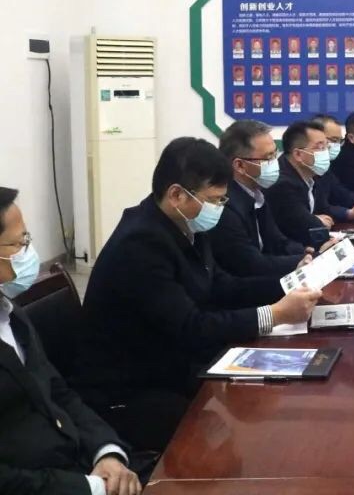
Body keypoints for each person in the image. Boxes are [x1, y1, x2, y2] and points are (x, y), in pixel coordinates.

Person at [75, 138, 320, 452]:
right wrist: (273, 315)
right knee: (242, 435)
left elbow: (221, 286)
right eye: (214, 200)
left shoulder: (185, 225)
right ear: (177, 194)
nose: (219, 208)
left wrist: (289, 285)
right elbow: (192, 327)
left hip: (174, 366)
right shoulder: (141, 245)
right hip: (128, 391)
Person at [0, 187, 142, 495]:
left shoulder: (11, 313)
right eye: (19, 243)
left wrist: (106, 451)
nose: (29, 252)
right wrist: (90, 487)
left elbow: (58, 391)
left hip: (78, 461)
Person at [209, 120, 311, 278]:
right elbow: (251, 264)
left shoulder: (257, 193)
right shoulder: (225, 206)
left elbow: (278, 242)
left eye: (275, 154)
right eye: (268, 157)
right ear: (240, 165)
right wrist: (301, 261)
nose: (275, 163)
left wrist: (308, 253)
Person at [266, 121, 338, 245]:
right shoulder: (282, 183)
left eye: (327, 146)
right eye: (320, 147)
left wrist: (316, 219)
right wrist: (316, 220)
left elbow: (326, 213)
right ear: (298, 154)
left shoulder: (312, 174)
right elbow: (308, 226)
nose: (326, 152)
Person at [311, 114, 354, 222]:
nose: (336, 145)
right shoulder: (293, 174)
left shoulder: (324, 167)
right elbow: (319, 208)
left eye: (339, 141)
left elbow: (342, 194)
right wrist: (349, 213)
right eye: (333, 140)